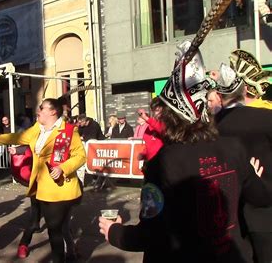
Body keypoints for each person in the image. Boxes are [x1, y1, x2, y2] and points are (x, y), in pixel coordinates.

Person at [98, 40, 272, 263]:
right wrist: (253, 176)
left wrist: (114, 232)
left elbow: (149, 234)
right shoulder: (233, 148)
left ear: (171, 117)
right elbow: (262, 196)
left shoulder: (162, 163)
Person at [0, 98, 86, 263]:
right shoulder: (38, 128)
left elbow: (80, 156)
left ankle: (61, 258)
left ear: (52, 111)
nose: (38, 110)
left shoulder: (69, 130)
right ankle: (69, 255)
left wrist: (63, 168)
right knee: (56, 229)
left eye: (41, 108)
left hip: (61, 189)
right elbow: (19, 137)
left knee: (55, 230)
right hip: (42, 188)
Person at [213, 55, 272, 263]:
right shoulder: (266, 118)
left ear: (219, 96)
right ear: (245, 91)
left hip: (226, 219)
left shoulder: (210, 128)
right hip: (265, 215)